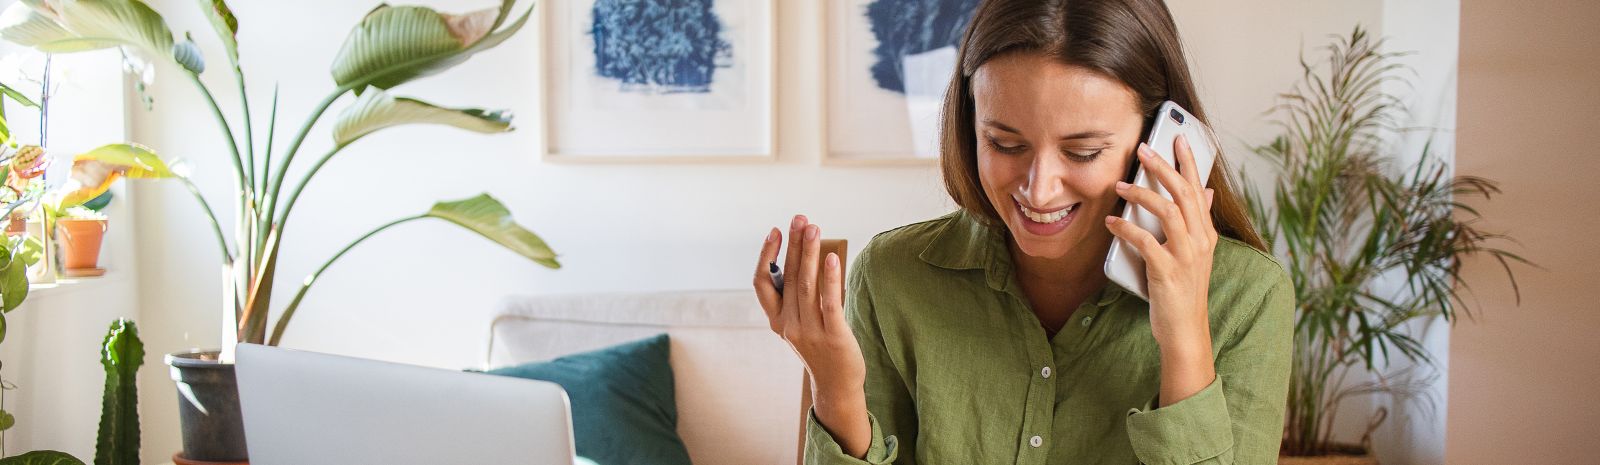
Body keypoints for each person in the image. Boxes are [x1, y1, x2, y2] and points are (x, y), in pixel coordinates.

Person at [752, 0, 1294, 463]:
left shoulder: (1245, 297)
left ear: (1161, 141)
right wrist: (836, 387)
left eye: (1083, 151)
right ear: (969, 126)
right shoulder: (894, 276)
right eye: (1005, 144)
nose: (1038, 191)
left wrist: (1184, 340)